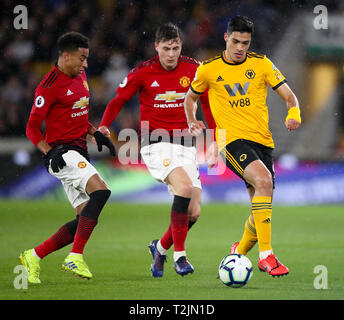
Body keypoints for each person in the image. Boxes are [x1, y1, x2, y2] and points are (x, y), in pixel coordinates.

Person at [185, 16, 301, 277]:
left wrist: (294, 113)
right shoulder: (208, 69)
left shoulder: (262, 64)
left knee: (261, 208)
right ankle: (267, 256)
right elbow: (190, 97)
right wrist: (192, 120)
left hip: (263, 142)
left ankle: (239, 252)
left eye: (245, 43)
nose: (240, 48)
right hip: (231, 140)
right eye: (235, 41)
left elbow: (290, 97)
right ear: (226, 38)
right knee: (263, 180)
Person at [98, 23, 216, 277]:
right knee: (183, 189)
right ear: (156, 47)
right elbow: (118, 99)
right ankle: (180, 257)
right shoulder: (143, 72)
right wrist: (105, 125)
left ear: (181, 46)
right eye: (166, 48)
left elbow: (206, 101)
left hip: (186, 145)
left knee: (193, 212)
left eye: (175, 48)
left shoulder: (195, 69)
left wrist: (215, 136)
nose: (171, 54)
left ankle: (160, 248)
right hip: (156, 143)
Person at [19, 32, 116, 284]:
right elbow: (31, 128)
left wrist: (95, 132)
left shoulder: (80, 76)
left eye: (87, 59)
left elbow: (78, 114)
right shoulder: (48, 86)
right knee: (102, 192)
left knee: (83, 218)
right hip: (62, 153)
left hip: (78, 151)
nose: (85, 65)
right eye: (82, 58)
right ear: (66, 55)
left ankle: (34, 255)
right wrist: (49, 151)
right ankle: (75, 256)